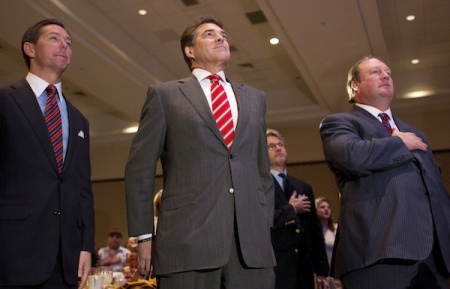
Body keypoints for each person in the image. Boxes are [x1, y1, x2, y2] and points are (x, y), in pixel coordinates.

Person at [125, 16, 276, 289]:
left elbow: (262, 171)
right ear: (189, 50)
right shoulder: (165, 96)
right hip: (187, 244)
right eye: (209, 34)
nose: (221, 38)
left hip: (251, 249)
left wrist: (262, 223)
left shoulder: (255, 98)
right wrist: (145, 237)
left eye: (223, 34)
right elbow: (139, 170)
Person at [319, 55, 450, 288]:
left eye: (388, 72)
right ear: (354, 85)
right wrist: (399, 144)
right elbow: (352, 157)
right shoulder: (339, 123)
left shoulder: (413, 132)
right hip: (377, 254)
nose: (386, 75)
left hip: (432, 258)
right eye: (376, 72)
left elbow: (436, 190)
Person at [0, 19, 94, 289]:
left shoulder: (79, 120)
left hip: (66, 260)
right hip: (12, 252)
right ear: (29, 48)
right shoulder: (5, 101)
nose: (64, 45)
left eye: (69, 43)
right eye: (54, 38)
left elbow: (82, 189)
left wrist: (86, 245)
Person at [266, 128, 329, 289]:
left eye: (281, 144)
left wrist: (321, 270)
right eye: (271, 146)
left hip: (303, 269)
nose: (279, 148)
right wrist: (291, 209)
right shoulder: (259, 186)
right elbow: (261, 222)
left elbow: (314, 231)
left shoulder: (303, 186)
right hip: (275, 268)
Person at [315, 197, 342, 289]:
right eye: (322, 207)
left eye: (328, 207)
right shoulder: (313, 232)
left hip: (336, 273)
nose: (326, 209)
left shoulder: (336, 229)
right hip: (320, 273)